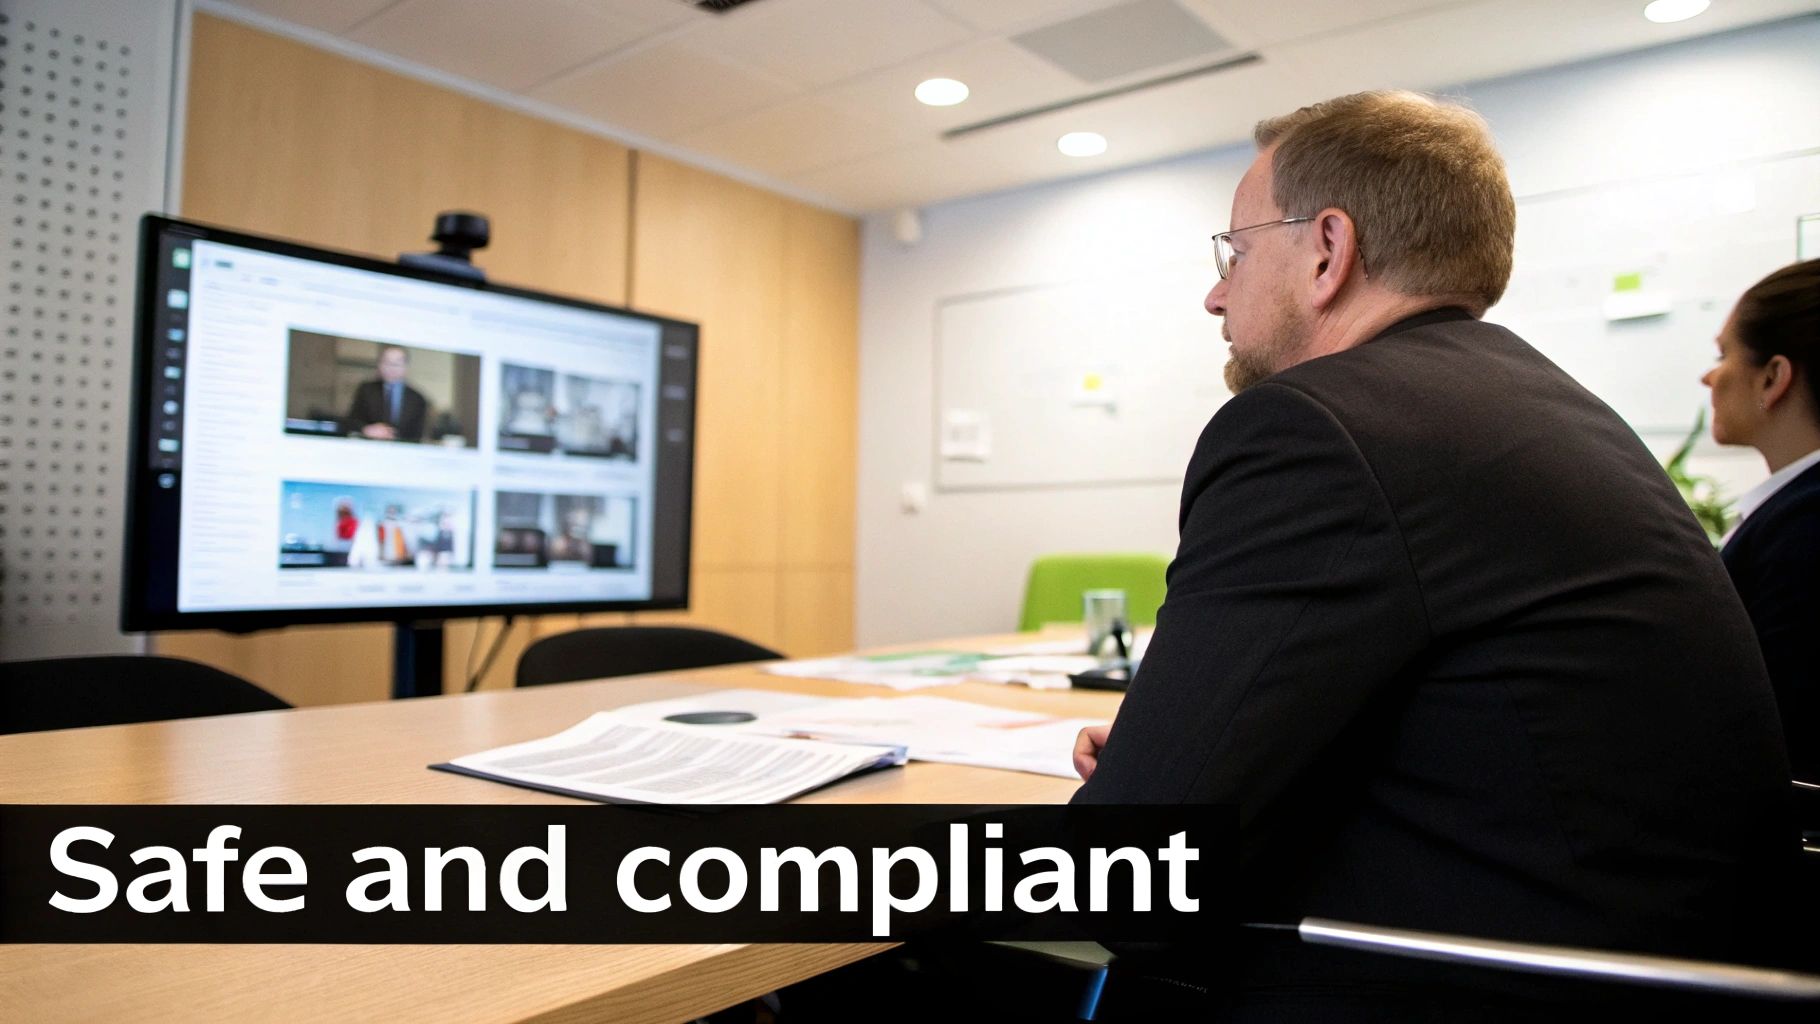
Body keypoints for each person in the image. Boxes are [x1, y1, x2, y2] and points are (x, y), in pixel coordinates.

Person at [1069, 91, 1792, 1011]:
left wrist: (1144, 784)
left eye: (1236, 253)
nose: (1216, 292)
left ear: (1328, 250)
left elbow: (1131, 877)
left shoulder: (1315, 428)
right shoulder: (1552, 409)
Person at [1704, 259, 1820, 782]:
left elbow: (1775, 727)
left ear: (1773, 377)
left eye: (1724, 353)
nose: (1709, 375)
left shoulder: (1802, 532)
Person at [343, 345, 428, 442]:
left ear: (406, 367)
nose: (391, 368)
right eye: (386, 362)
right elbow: (350, 421)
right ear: (379, 364)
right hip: (369, 446)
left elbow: (417, 436)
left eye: (396, 364)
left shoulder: (417, 399)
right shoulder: (366, 390)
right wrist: (366, 429)